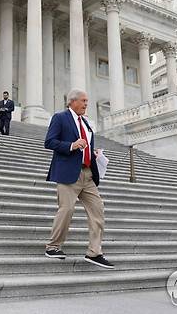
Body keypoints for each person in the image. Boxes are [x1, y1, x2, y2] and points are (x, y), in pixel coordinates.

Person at [43, 89, 114, 269]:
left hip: (88, 174)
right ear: (72, 101)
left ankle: (94, 252)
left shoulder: (86, 123)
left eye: (87, 101)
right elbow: (49, 142)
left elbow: (87, 145)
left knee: (98, 209)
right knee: (66, 209)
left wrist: (94, 153)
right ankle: (53, 246)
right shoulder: (60, 118)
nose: (86, 104)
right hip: (68, 173)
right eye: (83, 101)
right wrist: (72, 145)